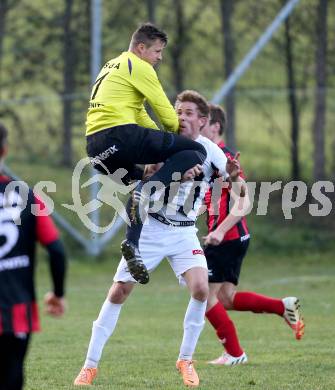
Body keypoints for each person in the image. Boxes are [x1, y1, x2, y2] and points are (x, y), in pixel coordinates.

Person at [73, 91, 242, 388]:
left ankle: (186, 360)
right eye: (178, 111)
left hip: (184, 231)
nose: (181, 117)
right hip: (152, 226)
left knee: (201, 288)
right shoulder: (162, 143)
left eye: (189, 113)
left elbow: (234, 183)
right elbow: (144, 181)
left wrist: (233, 176)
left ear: (203, 121)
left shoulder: (211, 150)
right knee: (119, 292)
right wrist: (171, 173)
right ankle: (89, 366)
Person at [86, 22, 207, 285]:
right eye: (157, 51)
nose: (159, 57)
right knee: (196, 151)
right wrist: (179, 139)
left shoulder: (112, 65)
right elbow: (164, 110)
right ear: (141, 48)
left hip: (96, 150)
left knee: (143, 181)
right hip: (119, 134)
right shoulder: (139, 66)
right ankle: (150, 190)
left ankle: (133, 245)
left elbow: (140, 113)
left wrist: (161, 152)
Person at [201, 104, 305, 366]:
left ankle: (235, 354)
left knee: (203, 297)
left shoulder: (224, 158)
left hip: (226, 238)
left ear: (215, 127)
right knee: (226, 299)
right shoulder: (208, 158)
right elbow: (214, 197)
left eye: (204, 122)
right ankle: (283, 307)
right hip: (233, 238)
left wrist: (219, 231)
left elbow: (243, 202)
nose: (198, 127)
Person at [0, 123, 67, 390]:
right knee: (12, 377)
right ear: (5, 150)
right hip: (17, 311)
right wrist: (58, 294)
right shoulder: (26, 196)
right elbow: (57, 250)